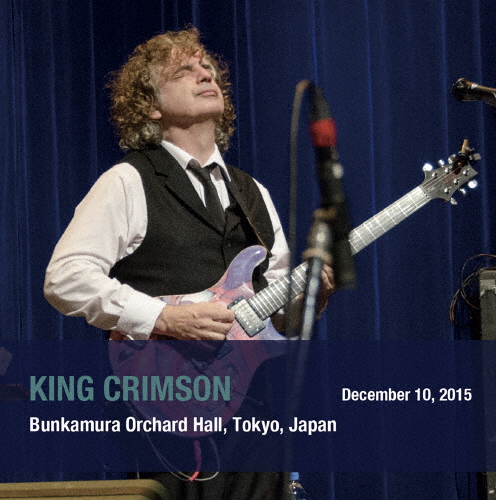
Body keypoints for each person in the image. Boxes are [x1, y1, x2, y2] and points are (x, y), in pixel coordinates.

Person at [44, 27, 333, 499]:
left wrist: (311, 300)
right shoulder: (128, 181)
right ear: (151, 106)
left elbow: (279, 315)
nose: (205, 74)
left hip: (253, 423)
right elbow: (65, 277)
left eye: (208, 68)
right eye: (185, 70)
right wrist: (164, 318)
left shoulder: (252, 192)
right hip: (164, 416)